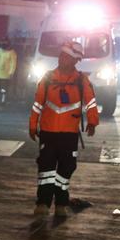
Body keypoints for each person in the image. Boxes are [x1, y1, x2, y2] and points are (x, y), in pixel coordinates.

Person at [29, 40, 99, 218]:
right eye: (61, 55)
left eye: (67, 57)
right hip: (48, 132)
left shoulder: (82, 80)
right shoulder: (47, 77)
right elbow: (38, 103)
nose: (62, 59)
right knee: (46, 168)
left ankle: (61, 203)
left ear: (76, 60)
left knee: (66, 168)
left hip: (69, 134)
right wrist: (32, 124)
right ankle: (43, 203)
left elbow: (91, 102)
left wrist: (92, 121)